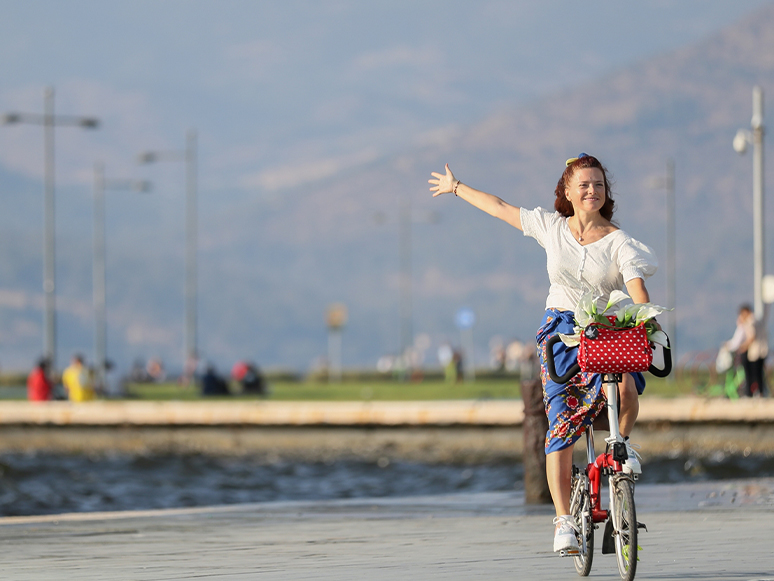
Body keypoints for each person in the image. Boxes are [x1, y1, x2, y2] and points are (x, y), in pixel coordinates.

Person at [429, 153, 659, 554]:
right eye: (584, 185)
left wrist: (645, 320)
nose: (592, 191)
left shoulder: (619, 241)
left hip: (604, 329)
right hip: (560, 333)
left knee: (626, 389)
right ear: (567, 191)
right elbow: (500, 208)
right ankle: (564, 522)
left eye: (599, 184)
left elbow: (636, 286)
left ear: (607, 193)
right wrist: (456, 187)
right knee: (561, 427)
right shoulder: (551, 228)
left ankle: (620, 445)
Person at [726, 304, 768, 397]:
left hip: (755, 352)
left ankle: (750, 394)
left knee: (752, 374)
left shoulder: (750, 322)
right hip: (763, 350)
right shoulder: (758, 321)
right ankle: (761, 393)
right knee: (760, 374)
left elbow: (751, 337)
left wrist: (743, 347)